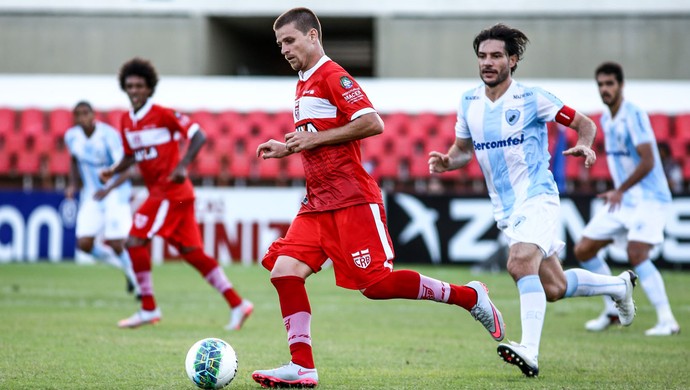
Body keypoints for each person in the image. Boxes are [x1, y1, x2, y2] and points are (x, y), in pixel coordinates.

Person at [251, 8, 505, 388]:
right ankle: (301, 366)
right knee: (284, 272)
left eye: (290, 40)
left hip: (352, 199)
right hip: (317, 202)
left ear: (312, 36)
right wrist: (290, 147)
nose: (284, 49)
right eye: (280, 44)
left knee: (376, 286)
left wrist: (313, 139)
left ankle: (470, 297)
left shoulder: (332, 75)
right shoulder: (303, 82)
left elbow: (372, 122)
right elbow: (320, 133)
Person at [428, 24, 637, 377]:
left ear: (513, 59)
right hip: (506, 209)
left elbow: (585, 124)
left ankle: (530, 350)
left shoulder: (532, 98)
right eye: (482, 56)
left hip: (537, 195)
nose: (488, 63)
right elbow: (463, 151)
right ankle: (618, 286)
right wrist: (449, 162)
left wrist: (585, 143)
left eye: (496, 56)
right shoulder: (468, 102)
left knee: (519, 261)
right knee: (553, 287)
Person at [99, 58, 253, 330]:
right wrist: (112, 170)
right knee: (192, 253)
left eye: (139, 85)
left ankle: (148, 308)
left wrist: (183, 165)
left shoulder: (163, 114)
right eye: (130, 85)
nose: (134, 90)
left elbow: (199, 135)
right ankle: (237, 303)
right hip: (169, 194)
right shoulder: (126, 121)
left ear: (150, 89)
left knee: (134, 241)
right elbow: (130, 156)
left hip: (170, 191)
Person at [573, 62, 680, 336]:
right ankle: (611, 309)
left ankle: (667, 320)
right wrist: (619, 190)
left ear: (621, 85)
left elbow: (648, 161)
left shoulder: (633, 115)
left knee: (637, 253)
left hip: (649, 198)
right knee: (584, 249)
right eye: (600, 84)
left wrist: (620, 189)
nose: (604, 89)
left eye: (609, 84)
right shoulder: (607, 120)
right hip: (625, 199)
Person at [64, 101, 140, 298]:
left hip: (116, 193)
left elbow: (126, 168)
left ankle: (138, 285)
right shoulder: (72, 137)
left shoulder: (108, 136)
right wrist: (73, 184)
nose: (81, 118)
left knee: (117, 243)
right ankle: (125, 269)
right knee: (84, 244)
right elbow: (74, 160)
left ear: (93, 115)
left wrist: (109, 189)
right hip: (92, 194)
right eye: (77, 114)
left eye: (85, 113)